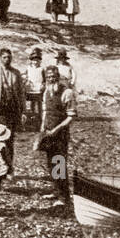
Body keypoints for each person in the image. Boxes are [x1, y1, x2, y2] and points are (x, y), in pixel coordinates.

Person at [33, 65, 76, 207]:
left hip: (60, 135)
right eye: (48, 76)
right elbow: (45, 111)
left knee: (60, 164)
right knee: (51, 163)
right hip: (48, 133)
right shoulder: (46, 91)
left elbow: (70, 117)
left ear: (58, 76)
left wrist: (56, 130)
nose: (51, 78)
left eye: (53, 76)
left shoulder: (67, 92)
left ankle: (64, 198)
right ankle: (55, 191)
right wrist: (42, 129)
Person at [0, 47, 26, 192]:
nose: (7, 59)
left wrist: (23, 111)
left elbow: (21, 93)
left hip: (12, 110)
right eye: (4, 57)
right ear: (0, 58)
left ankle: (9, 169)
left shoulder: (16, 73)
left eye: (9, 57)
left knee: (10, 140)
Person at [24, 47, 44, 130]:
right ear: (31, 61)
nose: (35, 62)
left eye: (37, 60)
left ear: (40, 61)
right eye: (34, 60)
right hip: (31, 88)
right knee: (31, 102)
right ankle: (32, 116)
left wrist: (43, 85)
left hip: (38, 88)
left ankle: (40, 116)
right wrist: (26, 80)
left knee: (39, 103)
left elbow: (44, 79)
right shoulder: (28, 68)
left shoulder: (41, 69)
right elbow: (25, 76)